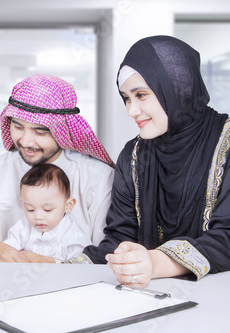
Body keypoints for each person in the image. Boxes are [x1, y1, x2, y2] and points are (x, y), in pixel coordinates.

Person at [82, 35, 230, 288]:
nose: (131, 110)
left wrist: (155, 262)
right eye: (127, 98)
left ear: (177, 89)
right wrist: (52, 266)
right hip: (148, 297)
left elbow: (226, 236)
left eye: (141, 95)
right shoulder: (133, 155)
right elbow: (120, 236)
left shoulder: (226, 144)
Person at [0, 74, 115, 262]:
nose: (25, 141)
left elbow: (106, 253)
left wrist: (55, 265)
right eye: (18, 127)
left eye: (40, 131)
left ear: (63, 130)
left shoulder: (98, 178)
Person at [3, 164, 92, 263]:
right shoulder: (23, 226)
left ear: (68, 205)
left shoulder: (74, 236)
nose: (38, 217)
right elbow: (8, 250)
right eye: (30, 209)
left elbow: (80, 266)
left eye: (47, 210)